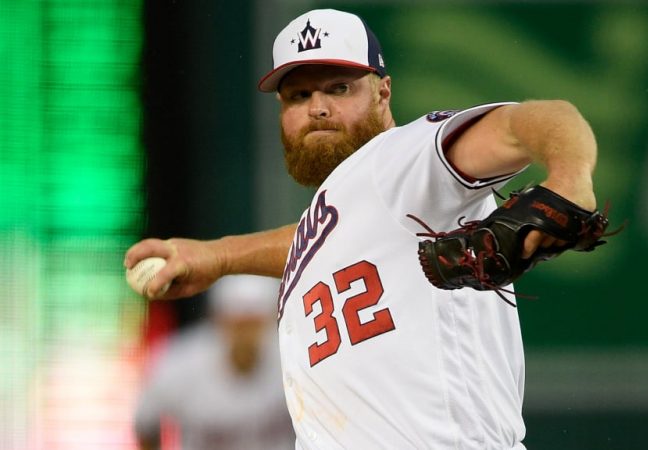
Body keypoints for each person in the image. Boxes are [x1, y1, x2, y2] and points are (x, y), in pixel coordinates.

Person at [125, 8, 599, 448]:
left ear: (382, 92)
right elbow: (326, 242)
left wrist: (570, 179)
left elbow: (537, 120)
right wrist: (219, 256)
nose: (318, 107)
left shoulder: (404, 158)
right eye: (299, 95)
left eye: (339, 88)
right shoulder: (347, 207)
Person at [133, 275, 294, 450]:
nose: (246, 334)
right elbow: (146, 421)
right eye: (238, 323)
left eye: (254, 322)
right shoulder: (183, 364)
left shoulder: (293, 359)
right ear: (218, 319)